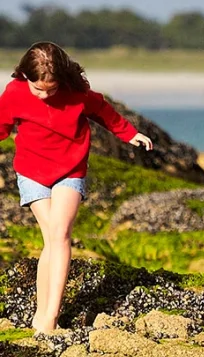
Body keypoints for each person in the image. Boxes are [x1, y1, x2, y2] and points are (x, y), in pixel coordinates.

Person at [0, 42, 153, 333]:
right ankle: (41, 314)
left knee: (60, 235)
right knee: (52, 239)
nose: (45, 95)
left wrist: (130, 134)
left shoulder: (78, 93)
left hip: (70, 170)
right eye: (38, 89)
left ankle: (49, 319)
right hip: (32, 173)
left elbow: (105, 113)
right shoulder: (14, 93)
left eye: (51, 89)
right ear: (24, 76)